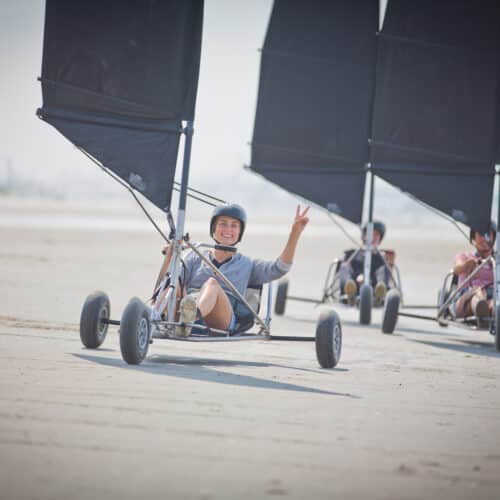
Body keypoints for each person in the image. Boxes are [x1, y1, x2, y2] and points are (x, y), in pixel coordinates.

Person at [153, 203, 310, 336]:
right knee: (173, 282)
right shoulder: (194, 257)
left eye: (234, 225)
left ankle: (190, 320)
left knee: (212, 284)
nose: (228, 229)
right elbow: (166, 284)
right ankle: (153, 318)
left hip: (221, 317)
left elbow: (280, 268)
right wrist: (170, 256)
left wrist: (295, 233)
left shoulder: (248, 265)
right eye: (223, 224)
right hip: (186, 307)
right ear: (214, 228)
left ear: (239, 232)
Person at [337, 220, 396, 306]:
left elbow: (386, 273)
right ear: (364, 236)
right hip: (354, 284)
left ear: (380, 238)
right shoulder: (352, 254)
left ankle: (379, 297)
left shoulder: (383, 257)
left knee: (384, 270)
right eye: (370, 234)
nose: (373, 237)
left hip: (374, 285)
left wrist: (389, 260)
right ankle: (350, 295)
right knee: (344, 267)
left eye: (376, 235)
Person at [451, 223, 495, 326]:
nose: (485, 239)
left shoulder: (496, 261)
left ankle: (490, 312)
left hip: (492, 294)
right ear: (474, 238)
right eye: (481, 235)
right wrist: (466, 265)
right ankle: (482, 313)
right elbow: (457, 269)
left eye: (488, 235)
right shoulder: (465, 256)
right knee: (478, 295)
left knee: (494, 302)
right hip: (467, 295)